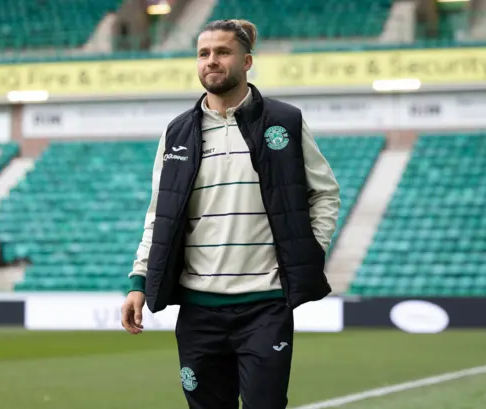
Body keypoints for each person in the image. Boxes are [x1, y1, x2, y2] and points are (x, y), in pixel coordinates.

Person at [121, 19, 341, 409]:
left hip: (265, 306)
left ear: (247, 60)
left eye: (223, 52)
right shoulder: (177, 133)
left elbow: (324, 193)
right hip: (198, 310)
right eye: (204, 54)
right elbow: (160, 213)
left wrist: (310, 249)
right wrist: (139, 279)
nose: (212, 61)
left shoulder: (284, 121)